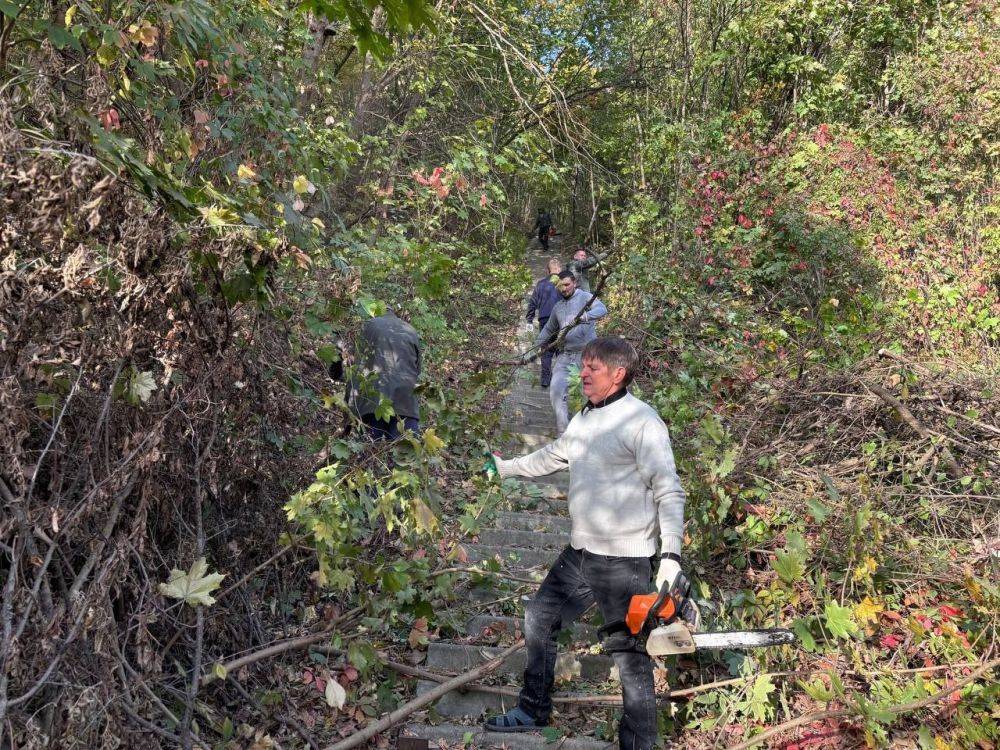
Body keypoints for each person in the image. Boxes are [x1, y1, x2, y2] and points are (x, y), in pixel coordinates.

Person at [484, 337, 687, 750]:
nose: (583, 374)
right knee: (539, 617)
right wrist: (507, 469)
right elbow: (556, 454)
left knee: (630, 658)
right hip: (581, 552)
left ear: (619, 374)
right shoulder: (585, 417)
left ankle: (638, 745)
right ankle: (533, 709)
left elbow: (669, 490)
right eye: (583, 366)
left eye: (594, 368)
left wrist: (670, 555)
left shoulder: (643, 422)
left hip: (624, 561)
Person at [530, 271, 607, 432]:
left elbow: (602, 309)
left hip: (587, 356)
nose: (564, 289)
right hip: (565, 355)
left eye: (567, 284)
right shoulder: (558, 307)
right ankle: (563, 434)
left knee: (585, 395)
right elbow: (548, 330)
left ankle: (584, 433)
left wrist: (584, 317)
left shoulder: (585, 297)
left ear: (574, 282)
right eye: (561, 286)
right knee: (556, 390)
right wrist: (532, 349)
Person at [350, 307, 422, 440]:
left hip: (372, 401)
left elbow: (354, 365)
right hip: (405, 402)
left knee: (370, 454)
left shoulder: (368, 326)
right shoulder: (410, 330)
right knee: (406, 455)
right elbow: (417, 370)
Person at [526, 257, 563, 388]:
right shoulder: (564, 284)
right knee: (560, 349)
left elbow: (532, 302)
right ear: (560, 269)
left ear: (548, 271)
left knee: (546, 349)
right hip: (561, 320)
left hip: (545, 319)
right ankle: (560, 378)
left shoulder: (541, 284)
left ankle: (545, 379)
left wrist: (529, 319)